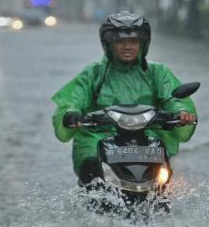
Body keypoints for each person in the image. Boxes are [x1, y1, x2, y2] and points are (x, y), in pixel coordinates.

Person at [51, 11, 197, 186]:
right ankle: (92, 203)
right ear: (109, 44)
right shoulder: (94, 73)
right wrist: (71, 114)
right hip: (99, 137)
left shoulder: (158, 72)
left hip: (148, 136)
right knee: (91, 170)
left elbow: (173, 98)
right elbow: (73, 99)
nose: (127, 46)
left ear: (143, 44)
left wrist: (182, 112)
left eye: (133, 41)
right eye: (120, 41)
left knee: (164, 180)